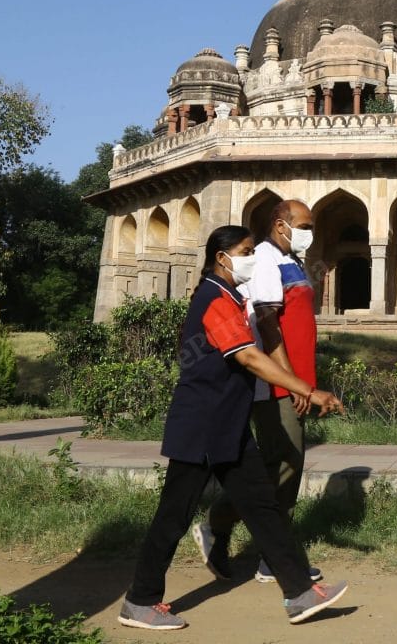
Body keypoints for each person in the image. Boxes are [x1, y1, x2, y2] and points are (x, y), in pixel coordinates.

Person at [118, 225, 348, 631]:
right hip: (203, 427)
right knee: (174, 515)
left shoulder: (227, 296)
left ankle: (298, 593)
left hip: (228, 426)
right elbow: (251, 359)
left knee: (262, 508)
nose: (252, 258)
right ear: (222, 257)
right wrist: (309, 392)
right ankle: (140, 601)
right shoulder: (213, 298)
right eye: (245, 251)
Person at [192, 200, 320, 584]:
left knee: (280, 464)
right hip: (276, 381)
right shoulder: (263, 259)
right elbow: (266, 322)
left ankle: (261, 548)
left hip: (293, 379)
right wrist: (288, 379)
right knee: (283, 462)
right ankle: (238, 533)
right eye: (304, 225)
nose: (309, 232)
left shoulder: (292, 261)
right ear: (281, 225)